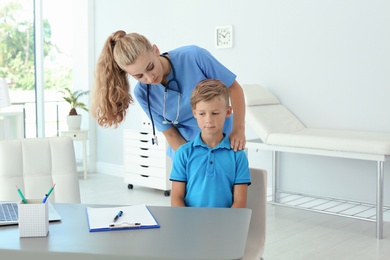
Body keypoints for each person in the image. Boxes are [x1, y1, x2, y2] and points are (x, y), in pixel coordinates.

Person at [92, 30, 246, 158]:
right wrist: (192, 160)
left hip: (224, 139)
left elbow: (234, 88)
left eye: (150, 67)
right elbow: (170, 134)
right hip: (186, 149)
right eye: (139, 76)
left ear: (155, 50)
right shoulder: (142, 93)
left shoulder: (194, 56)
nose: (149, 77)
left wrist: (238, 130)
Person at [170, 79, 251, 208]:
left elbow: (240, 202)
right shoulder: (183, 153)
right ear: (194, 113)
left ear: (228, 112)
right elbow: (176, 198)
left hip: (225, 224)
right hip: (190, 224)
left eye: (215, 113)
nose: (208, 120)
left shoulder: (238, 155)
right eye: (202, 114)